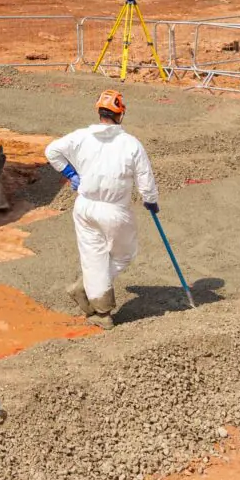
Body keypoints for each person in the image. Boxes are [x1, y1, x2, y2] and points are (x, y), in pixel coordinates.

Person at [45, 90, 161, 326]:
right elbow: (145, 177)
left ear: (99, 112)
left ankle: (98, 305)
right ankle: (98, 305)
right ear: (121, 114)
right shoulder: (131, 144)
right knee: (124, 255)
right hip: (114, 210)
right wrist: (150, 200)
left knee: (93, 256)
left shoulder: (81, 136)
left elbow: (51, 151)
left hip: (84, 207)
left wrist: (70, 174)